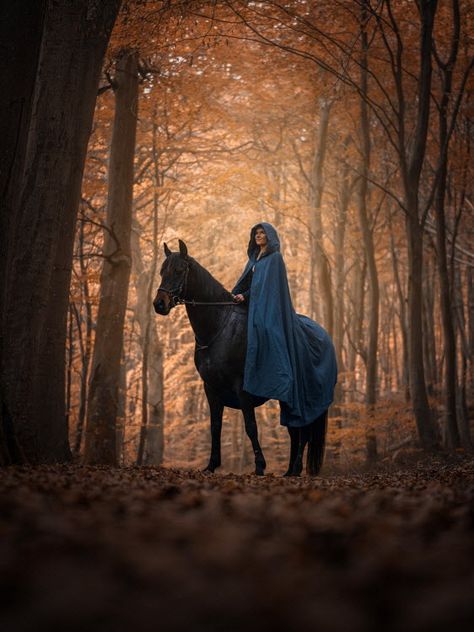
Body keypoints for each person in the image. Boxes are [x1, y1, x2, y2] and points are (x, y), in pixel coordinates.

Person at [232, 222, 337, 428]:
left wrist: (257, 303)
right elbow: (254, 288)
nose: (259, 236)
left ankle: (284, 380)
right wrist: (242, 297)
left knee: (270, 333)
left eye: (263, 233)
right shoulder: (254, 260)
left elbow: (272, 290)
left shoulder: (275, 259)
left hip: (270, 310)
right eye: (256, 234)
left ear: (270, 237)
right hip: (255, 307)